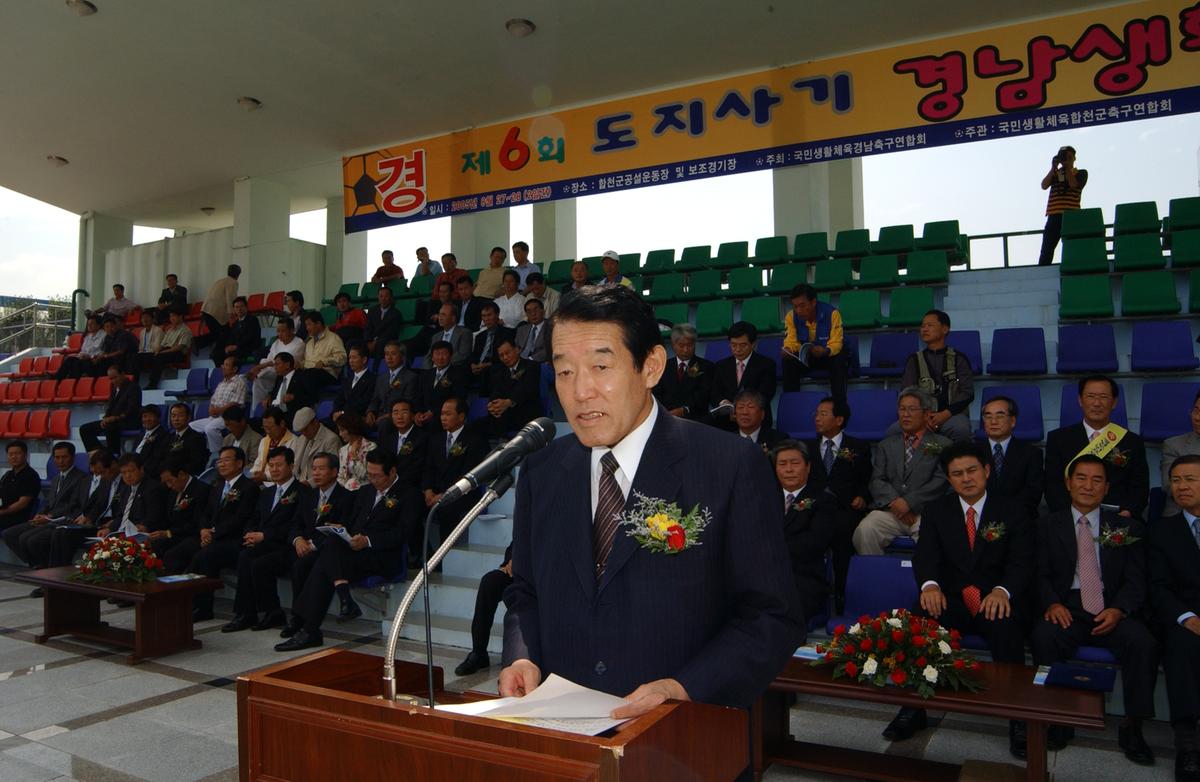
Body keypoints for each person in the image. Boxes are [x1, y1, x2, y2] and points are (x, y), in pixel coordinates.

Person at [499, 285, 802, 732]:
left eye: (601, 367)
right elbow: (525, 592)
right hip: (565, 736)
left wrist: (684, 686)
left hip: (684, 736)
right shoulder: (543, 469)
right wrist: (522, 655)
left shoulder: (728, 466)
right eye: (564, 372)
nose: (581, 391)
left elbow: (771, 616)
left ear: (652, 367)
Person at [889, 441, 1032, 754]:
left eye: (972, 471)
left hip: (993, 599)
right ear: (949, 479)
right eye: (957, 474)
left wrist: (1002, 590)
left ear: (987, 470)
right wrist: (929, 585)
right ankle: (913, 707)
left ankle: (1017, 718)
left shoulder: (1012, 509)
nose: (966, 478)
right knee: (919, 617)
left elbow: (1022, 560)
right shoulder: (938, 510)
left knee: (1008, 627)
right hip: (951, 598)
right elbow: (926, 556)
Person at [1031, 455, 1157, 765]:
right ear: (1068, 483)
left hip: (1110, 606)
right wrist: (1052, 602)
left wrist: (1119, 610)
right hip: (1068, 606)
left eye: (1097, 480)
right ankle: (1057, 718)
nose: (1088, 486)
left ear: (1107, 488)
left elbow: (1136, 580)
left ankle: (1133, 725)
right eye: (1081, 478)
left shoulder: (1126, 527)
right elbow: (1038, 574)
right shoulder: (1046, 524)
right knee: (1043, 637)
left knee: (1144, 643)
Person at [276, 450, 420, 651]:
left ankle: (310, 626)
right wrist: (342, 530)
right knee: (325, 552)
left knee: (323, 563)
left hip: (382, 555)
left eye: (377, 475)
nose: (372, 479)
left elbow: (404, 533)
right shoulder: (365, 492)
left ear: (392, 472)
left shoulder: (409, 494)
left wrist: (368, 540)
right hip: (354, 551)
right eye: (369, 474)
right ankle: (335, 605)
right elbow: (352, 522)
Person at [1149, 454, 1200, 782]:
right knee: (1182, 643)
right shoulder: (1162, 530)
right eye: (1176, 480)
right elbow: (1157, 586)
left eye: (1190, 479)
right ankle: (1188, 745)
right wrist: (1186, 616)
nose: (1181, 487)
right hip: (1185, 616)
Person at [852, 387, 951, 555]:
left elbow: (941, 481)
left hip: (926, 512)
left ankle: (926, 581)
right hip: (893, 511)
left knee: (932, 538)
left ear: (927, 414)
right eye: (902, 409)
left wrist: (909, 503)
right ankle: (877, 578)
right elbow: (877, 480)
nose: (905, 414)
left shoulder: (944, 445)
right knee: (865, 530)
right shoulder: (886, 445)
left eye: (912, 409)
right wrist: (897, 503)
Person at [222, 447, 307, 633]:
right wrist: (250, 534)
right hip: (265, 543)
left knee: (260, 563)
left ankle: (273, 611)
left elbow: (295, 524)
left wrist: (265, 536)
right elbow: (254, 517)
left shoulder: (301, 492)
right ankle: (247, 613)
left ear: (291, 466)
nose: (275, 469)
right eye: (272, 465)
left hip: (286, 545)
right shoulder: (267, 492)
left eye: (279, 465)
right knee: (245, 555)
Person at [1044, 375, 1148, 518]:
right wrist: (1070, 516)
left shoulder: (1132, 441)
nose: (1097, 403)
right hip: (1070, 518)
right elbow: (1053, 485)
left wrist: (1128, 512)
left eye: (1104, 397)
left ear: (1114, 402)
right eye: (1090, 396)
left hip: (1117, 519)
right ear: (1080, 400)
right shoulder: (1058, 439)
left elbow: (1139, 486)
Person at [277, 451, 356, 640]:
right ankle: (298, 618)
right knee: (297, 565)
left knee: (305, 565)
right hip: (308, 547)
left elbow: (341, 530)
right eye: (314, 469)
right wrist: (298, 540)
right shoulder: (309, 496)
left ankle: (303, 619)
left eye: (321, 468)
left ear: (334, 471)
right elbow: (296, 525)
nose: (316, 473)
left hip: (329, 550)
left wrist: (312, 544)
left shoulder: (346, 497)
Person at [806, 397, 872, 610]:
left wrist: (863, 497)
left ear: (839, 419)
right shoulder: (806, 447)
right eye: (816, 413)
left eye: (823, 413)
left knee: (844, 538)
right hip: (814, 509)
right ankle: (814, 597)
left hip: (845, 509)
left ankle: (844, 597)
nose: (817, 418)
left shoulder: (858, 447)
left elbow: (867, 479)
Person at [185, 446, 262, 621]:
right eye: (220, 460)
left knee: (206, 555)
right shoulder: (218, 486)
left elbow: (241, 519)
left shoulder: (249, 488)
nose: (222, 464)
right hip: (214, 538)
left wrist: (213, 534)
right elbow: (206, 513)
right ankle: (191, 603)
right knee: (191, 553)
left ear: (240, 463)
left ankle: (204, 608)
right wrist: (204, 530)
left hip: (234, 540)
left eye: (227, 460)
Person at [772, 440, 836, 623]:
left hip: (802, 580)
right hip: (764, 577)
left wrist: (771, 547)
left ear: (807, 467)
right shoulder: (763, 498)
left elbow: (813, 543)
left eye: (795, 463)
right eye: (782, 464)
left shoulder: (823, 499)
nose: (789, 469)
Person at [2, 442, 86, 570]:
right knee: (10, 534)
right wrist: (40, 513)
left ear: (72, 457)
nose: (60, 461)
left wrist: (49, 516)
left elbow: (73, 504)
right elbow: (48, 501)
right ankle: (37, 564)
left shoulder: (81, 478)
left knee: (28, 539)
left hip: (60, 520)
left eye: (64, 457)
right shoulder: (56, 478)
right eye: (57, 458)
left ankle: (42, 567)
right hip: (44, 518)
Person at [896, 310, 974, 443]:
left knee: (961, 429)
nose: (924, 329)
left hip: (952, 415)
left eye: (930, 325)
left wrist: (946, 414)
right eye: (922, 326)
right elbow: (907, 393)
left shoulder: (958, 359)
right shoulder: (914, 360)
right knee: (893, 431)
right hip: (920, 416)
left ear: (945, 329)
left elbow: (967, 393)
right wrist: (923, 417)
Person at [422, 397, 489, 544]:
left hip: (463, 492)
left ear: (461, 416)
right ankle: (419, 553)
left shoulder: (475, 440)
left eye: (448, 414)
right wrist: (428, 491)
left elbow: (468, 474)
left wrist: (443, 496)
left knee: (448, 508)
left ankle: (444, 557)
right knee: (412, 503)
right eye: (441, 414)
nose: (443, 418)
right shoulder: (435, 439)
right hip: (436, 492)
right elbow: (428, 468)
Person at [44, 451, 120, 570]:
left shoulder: (125, 482)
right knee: (60, 533)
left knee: (65, 535)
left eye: (103, 472)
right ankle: (54, 574)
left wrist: (113, 523)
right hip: (97, 522)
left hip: (112, 523)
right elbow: (97, 504)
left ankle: (61, 573)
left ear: (114, 465)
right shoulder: (106, 480)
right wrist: (88, 517)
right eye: (98, 473)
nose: (101, 476)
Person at [981, 395, 1044, 520]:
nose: (993, 421)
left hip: (1019, 520)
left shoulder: (1031, 454)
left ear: (1013, 421)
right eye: (988, 416)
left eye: (999, 416)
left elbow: (1032, 495)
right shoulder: (972, 453)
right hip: (981, 518)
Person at [782, 284, 848, 401]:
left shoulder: (832, 314)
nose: (798, 311)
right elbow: (791, 340)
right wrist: (788, 349)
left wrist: (826, 351)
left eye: (802, 306)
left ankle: (839, 403)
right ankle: (791, 402)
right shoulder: (791, 316)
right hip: (807, 357)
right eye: (795, 306)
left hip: (827, 356)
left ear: (813, 302)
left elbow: (837, 342)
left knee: (839, 358)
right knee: (788, 361)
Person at [455, 543, 512, 676]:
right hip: (519, 573)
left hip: (541, 575)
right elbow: (515, 543)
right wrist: (510, 560)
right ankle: (479, 652)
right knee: (490, 581)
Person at [709, 321, 777, 428]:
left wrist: (741, 410)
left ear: (753, 344)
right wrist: (723, 403)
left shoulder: (766, 365)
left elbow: (765, 395)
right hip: (727, 422)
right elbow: (714, 394)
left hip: (756, 421)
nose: (737, 349)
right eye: (733, 345)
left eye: (742, 345)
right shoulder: (721, 366)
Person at [154, 456, 211, 574]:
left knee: (173, 555)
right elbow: (168, 518)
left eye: (170, 481)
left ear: (181, 474)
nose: (169, 485)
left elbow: (197, 523)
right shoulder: (172, 492)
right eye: (166, 482)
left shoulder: (202, 490)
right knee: (152, 546)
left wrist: (169, 533)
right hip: (176, 534)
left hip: (193, 536)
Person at [1038, 145, 1088, 266]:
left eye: (1070, 157)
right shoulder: (1055, 174)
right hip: (1054, 216)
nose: (1067, 159)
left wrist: (1067, 168)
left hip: (1072, 216)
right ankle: (1043, 270)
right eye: (1064, 157)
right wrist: (1053, 168)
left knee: (1073, 247)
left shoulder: (1080, 173)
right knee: (1047, 249)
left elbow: (1073, 185)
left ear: (1074, 158)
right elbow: (1044, 186)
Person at [190, 356, 251, 456]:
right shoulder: (222, 383)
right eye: (223, 365)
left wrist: (219, 410)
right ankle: (201, 452)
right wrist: (211, 409)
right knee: (191, 427)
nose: (223, 367)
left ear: (235, 369)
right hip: (214, 417)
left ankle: (219, 453)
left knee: (210, 429)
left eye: (226, 365)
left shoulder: (240, 382)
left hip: (228, 417)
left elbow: (237, 403)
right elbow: (213, 400)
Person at [654, 323, 714, 420]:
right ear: (673, 345)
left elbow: (703, 395)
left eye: (689, 345)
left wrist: (684, 410)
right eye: (681, 345)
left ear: (695, 344)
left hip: (696, 419)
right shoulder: (663, 366)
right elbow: (657, 394)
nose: (685, 350)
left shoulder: (706, 367)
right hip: (667, 417)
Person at [80, 365, 142, 455]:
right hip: (113, 421)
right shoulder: (115, 389)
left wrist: (115, 418)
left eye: (115, 378)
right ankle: (98, 453)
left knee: (110, 427)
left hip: (128, 421)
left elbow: (132, 410)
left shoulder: (134, 388)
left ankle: (112, 454)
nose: (113, 381)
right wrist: (105, 418)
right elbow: (110, 407)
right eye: (110, 379)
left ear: (123, 374)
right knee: (85, 429)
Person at [487, 337, 542, 438]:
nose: (505, 358)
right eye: (501, 355)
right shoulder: (498, 371)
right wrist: (493, 405)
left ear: (517, 350)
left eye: (507, 353)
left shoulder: (532, 366)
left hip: (526, 410)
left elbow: (527, 389)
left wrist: (509, 402)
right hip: (506, 414)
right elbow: (496, 391)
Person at [103, 453, 167, 538]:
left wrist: (145, 526)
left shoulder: (152, 488)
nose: (128, 476)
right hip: (121, 534)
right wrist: (109, 529)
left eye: (131, 471)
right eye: (124, 472)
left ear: (141, 469)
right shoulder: (125, 489)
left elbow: (154, 518)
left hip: (140, 534)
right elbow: (121, 515)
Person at [249, 318, 306, 413]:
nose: (279, 334)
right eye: (278, 331)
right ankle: (256, 410)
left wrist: (260, 367)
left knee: (261, 374)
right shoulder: (276, 343)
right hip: (273, 372)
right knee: (258, 380)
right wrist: (261, 367)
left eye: (283, 331)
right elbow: (269, 359)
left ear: (292, 330)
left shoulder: (299, 343)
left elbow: (286, 363)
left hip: (287, 373)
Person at [1160, 391, 1200, 516]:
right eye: (1195, 410)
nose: (1197, 417)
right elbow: (1169, 486)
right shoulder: (1174, 445)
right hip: (1181, 513)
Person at [366, 341, 419, 431]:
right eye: (386, 354)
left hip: (396, 416)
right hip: (379, 415)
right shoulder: (381, 377)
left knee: (385, 424)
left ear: (402, 356)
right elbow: (375, 399)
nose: (389, 358)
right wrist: (370, 412)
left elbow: (408, 403)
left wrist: (389, 415)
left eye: (393, 354)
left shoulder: (411, 377)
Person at [416, 342, 469, 430]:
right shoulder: (426, 375)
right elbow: (419, 396)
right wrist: (418, 412)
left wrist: (433, 412)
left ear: (451, 356)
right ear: (432, 357)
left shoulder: (459, 374)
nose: (440, 357)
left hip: (444, 416)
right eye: (437, 354)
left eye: (444, 354)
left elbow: (458, 399)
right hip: (424, 415)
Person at [379, 399, 428, 493]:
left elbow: (418, 468)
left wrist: (393, 483)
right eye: (395, 413)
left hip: (411, 487)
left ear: (413, 416)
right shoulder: (387, 438)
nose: (400, 417)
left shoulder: (422, 438)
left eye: (404, 412)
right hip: (388, 485)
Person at [469, 302, 514, 394]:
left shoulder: (508, 333)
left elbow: (506, 355)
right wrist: (473, 364)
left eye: (489, 315)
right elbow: (474, 354)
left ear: (497, 315)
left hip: (495, 365)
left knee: (489, 371)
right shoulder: (480, 336)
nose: (486, 319)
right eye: (484, 316)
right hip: (479, 365)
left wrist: (486, 365)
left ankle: (485, 402)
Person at [265, 352, 318, 428]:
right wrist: (269, 400)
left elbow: (313, 398)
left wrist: (294, 397)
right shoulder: (279, 378)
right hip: (274, 412)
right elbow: (274, 396)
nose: (275, 367)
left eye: (277, 364)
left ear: (287, 365)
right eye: (274, 365)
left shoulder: (302, 377)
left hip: (290, 414)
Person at [291, 407, 342, 485]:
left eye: (306, 429)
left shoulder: (331, 440)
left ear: (315, 422)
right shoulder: (301, 439)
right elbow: (295, 466)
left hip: (317, 486)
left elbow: (332, 471)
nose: (304, 433)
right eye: (301, 431)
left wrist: (308, 484)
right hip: (299, 483)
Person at [197, 264, 241, 353]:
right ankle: (197, 343)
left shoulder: (219, 281)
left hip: (207, 310)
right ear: (238, 274)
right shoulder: (233, 282)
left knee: (222, 333)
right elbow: (231, 298)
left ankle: (212, 350)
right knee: (221, 334)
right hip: (216, 313)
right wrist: (233, 314)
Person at [296, 310, 347, 387]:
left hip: (327, 374)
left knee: (309, 375)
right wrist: (300, 364)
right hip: (310, 373)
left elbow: (342, 358)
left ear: (318, 324)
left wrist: (324, 362)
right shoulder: (309, 342)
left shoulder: (333, 338)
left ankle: (310, 399)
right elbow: (308, 361)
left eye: (309, 324)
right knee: (293, 374)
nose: (307, 328)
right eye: (306, 325)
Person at [145, 306, 192, 389]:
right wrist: (158, 350)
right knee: (143, 357)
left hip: (178, 354)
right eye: (170, 316)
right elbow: (162, 344)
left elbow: (179, 347)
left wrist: (162, 352)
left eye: (174, 316)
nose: (171, 318)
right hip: (167, 351)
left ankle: (153, 383)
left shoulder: (185, 330)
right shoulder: (170, 330)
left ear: (180, 316)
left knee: (159, 357)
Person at [330, 344, 375, 423]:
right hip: (341, 416)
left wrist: (343, 412)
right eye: (350, 357)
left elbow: (364, 402)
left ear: (364, 359)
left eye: (354, 357)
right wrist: (335, 412)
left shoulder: (372, 379)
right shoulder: (347, 379)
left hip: (356, 418)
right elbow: (339, 399)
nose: (350, 361)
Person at [250, 408, 296, 485]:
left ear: (282, 424)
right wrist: (254, 474)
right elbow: (258, 464)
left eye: (270, 428)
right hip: (260, 483)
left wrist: (266, 477)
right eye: (265, 428)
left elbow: (292, 470)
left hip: (279, 483)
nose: (267, 431)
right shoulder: (264, 440)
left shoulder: (294, 441)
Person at [164, 402, 209, 476]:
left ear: (188, 418)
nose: (176, 419)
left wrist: (176, 473)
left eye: (180, 416)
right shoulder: (168, 437)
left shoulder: (197, 438)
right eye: (173, 416)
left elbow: (196, 464)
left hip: (184, 477)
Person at [213, 296, 259, 364]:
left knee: (232, 354)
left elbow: (250, 337)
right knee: (216, 354)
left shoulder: (252, 320)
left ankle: (233, 371)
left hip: (248, 347)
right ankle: (225, 372)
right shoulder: (235, 324)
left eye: (241, 306)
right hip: (237, 348)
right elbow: (231, 338)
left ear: (246, 307)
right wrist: (227, 347)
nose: (239, 309)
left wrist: (236, 346)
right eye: (236, 307)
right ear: (234, 309)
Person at [56, 315, 104, 380]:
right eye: (88, 324)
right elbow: (83, 350)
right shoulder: (88, 336)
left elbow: (101, 351)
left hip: (95, 360)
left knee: (76, 363)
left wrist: (89, 356)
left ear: (99, 325)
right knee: (69, 360)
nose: (89, 326)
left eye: (92, 324)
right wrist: (80, 355)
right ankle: (57, 380)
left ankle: (73, 382)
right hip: (85, 358)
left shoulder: (103, 335)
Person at [336, 414, 375, 491]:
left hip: (365, 491)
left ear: (351, 428)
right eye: (339, 430)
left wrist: (354, 456)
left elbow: (366, 476)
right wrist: (347, 487)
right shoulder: (343, 450)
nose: (340, 434)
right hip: (347, 492)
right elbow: (340, 476)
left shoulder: (371, 447)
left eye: (342, 430)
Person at [130, 404, 170, 479]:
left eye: (151, 416)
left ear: (158, 418)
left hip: (148, 475)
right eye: (145, 416)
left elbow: (156, 460)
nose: (147, 419)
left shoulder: (163, 436)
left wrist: (139, 471)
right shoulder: (141, 434)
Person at [365, 284, 402, 360]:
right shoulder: (372, 310)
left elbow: (390, 332)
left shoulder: (396, 313)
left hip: (385, 339)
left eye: (386, 296)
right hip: (371, 340)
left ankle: (377, 369)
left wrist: (375, 341)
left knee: (381, 344)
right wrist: (368, 341)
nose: (383, 299)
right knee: (354, 343)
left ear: (391, 298)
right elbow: (368, 328)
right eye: (381, 296)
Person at [514, 298, 550, 363]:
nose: (533, 314)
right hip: (520, 362)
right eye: (529, 311)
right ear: (526, 315)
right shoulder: (521, 329)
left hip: (539, 362)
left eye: (536, 309)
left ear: (543, 311)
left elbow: (549, 349)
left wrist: (530, 359)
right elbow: (516, 347)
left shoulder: (551, 327)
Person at [133, 309, 163, 380]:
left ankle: (135, 381)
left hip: (152, 354)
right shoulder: (142, 332)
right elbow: (140, 347)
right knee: (132, 357)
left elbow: (157, 347)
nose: (145, 319)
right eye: (143, 318)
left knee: (135, 358)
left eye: (147, 317)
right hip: (143, 354)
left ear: (152, 319)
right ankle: (134, 380)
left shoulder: (158, 330)